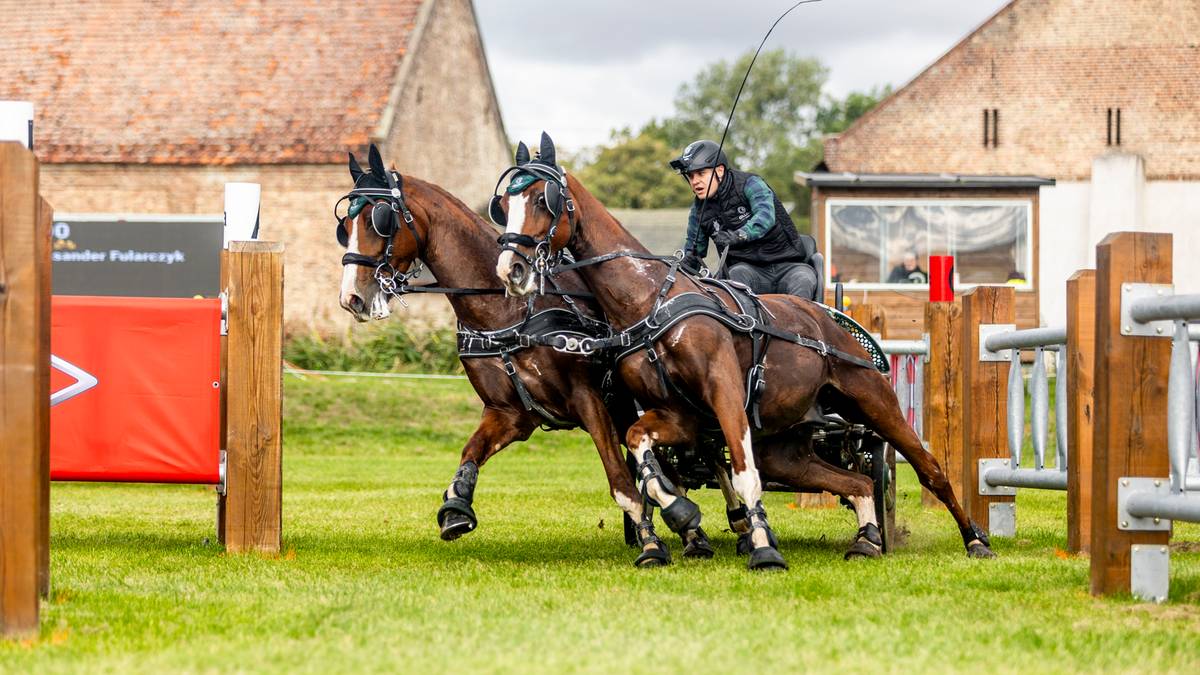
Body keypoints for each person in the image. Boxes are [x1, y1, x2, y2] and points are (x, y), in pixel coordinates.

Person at [669, 139, 817, 299]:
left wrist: (738, 236)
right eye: (690, 176)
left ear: (719, 171)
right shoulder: (698, 211)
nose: (695, 181)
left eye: (701, 173)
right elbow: (693, 253)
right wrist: (681, 266)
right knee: (733, 279)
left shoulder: (750, 184)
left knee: (803, 280)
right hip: (747, 270)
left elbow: (765, 218)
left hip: (789, 266)